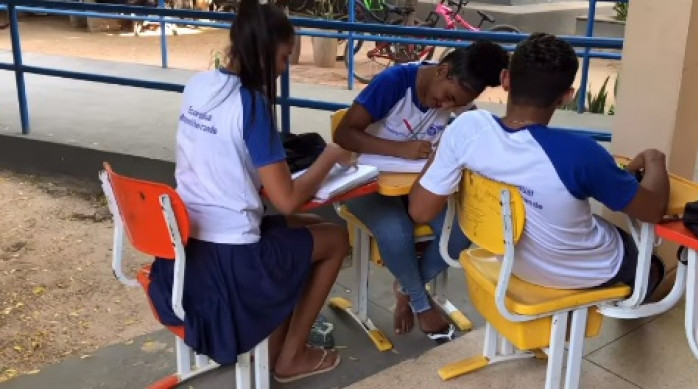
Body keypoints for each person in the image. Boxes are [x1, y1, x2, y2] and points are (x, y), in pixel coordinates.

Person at [147, 1, 353, 383]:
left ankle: (274, 344)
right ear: (263, 51)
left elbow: (227, 163)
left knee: (300, 226)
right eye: (284, 56)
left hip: (187, 247)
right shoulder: (251, 104)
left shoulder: (200, 85)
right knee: (336, 238)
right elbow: (286, 198)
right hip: (234, 261)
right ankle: (291, 356)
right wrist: (328, 158)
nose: (284, 67)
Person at [408, 33, 669, 300]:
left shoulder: (466, 129)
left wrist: (444, 151)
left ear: (505, 80)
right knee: (648, 262)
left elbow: (420, 210)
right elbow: (652, 210)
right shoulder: (581, 154)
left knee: (590, 221)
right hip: (585, 270)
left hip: (510, 260)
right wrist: (655, 159)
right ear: (566, 96)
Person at [334, 41, 510, 336]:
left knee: (462, 230)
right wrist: (399, 149)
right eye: (447, 97)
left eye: (456, 104)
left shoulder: (460, 95)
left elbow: (475, 134)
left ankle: (406, 288)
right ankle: (421, 303)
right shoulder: (394, 83)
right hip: (365, 181)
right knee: (396, 229)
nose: (446, 107)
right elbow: (344, 133)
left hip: (414, 186)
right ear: (443, 71)